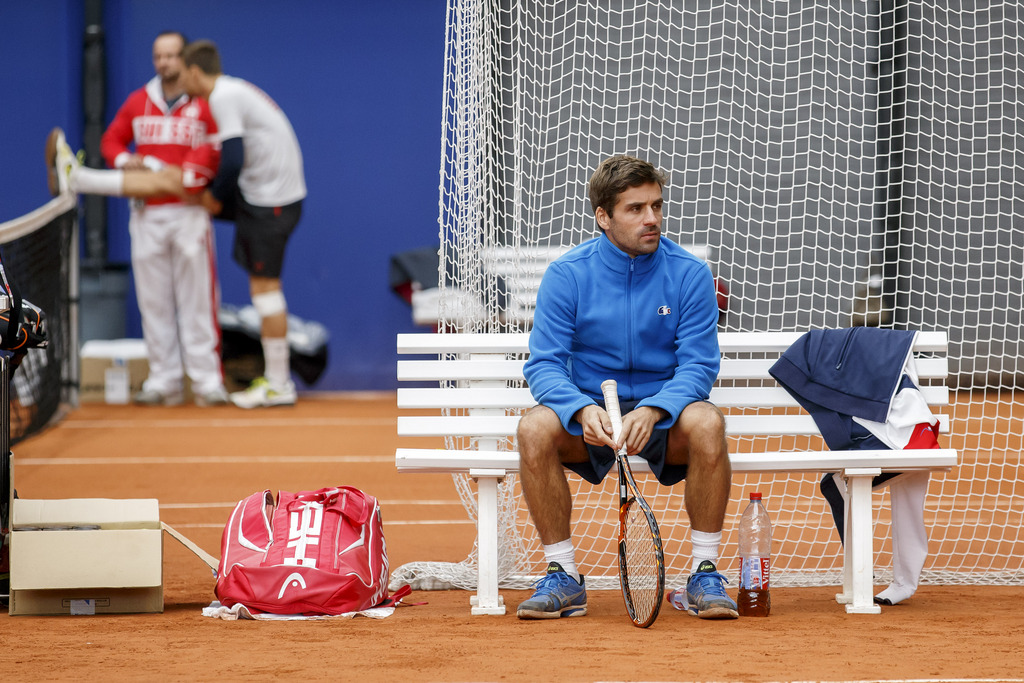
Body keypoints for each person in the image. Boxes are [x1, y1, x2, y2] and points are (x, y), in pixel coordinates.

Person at [514, 155, 737, 620]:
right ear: (604, 217)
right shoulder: (568, 274)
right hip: (592, 417)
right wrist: (578, 410)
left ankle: (705, 572)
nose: (651, 218)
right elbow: (544, 366)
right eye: (635, 209)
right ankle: (563, 574)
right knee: (534, 429)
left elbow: (699, 366)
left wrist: (656, 409)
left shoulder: (689, 273)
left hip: (661, 417)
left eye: (656, 205)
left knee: (708, 422)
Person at [100, 31, 228, 407]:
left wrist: (190, 171)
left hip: (189, 211)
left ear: (185, 60)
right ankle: (164, 380)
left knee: (198, 300)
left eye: (171, 56)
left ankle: (206, 381)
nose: (164, 63)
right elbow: (111, 142)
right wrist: (127, 161)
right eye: (159, 56)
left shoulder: (205, 102)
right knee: (153, 301)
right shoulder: (139, 101)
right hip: (147, 214)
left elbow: (219, 148)